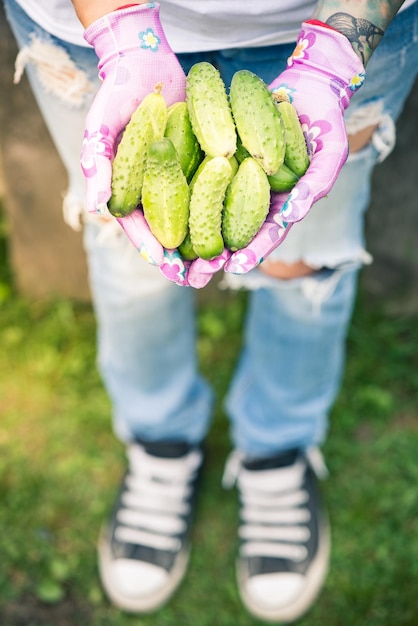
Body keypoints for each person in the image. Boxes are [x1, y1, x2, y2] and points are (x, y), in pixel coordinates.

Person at [3, 0, 417, 622]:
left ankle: (277, 450)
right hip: (86, 23)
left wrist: (334, 59)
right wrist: (122, 33)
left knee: (302, 261)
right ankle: (160, 443)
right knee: (127, 250)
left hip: (345, 27)